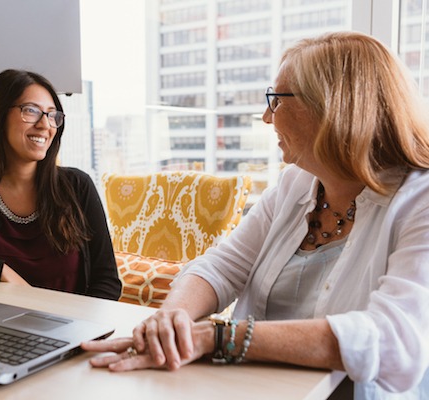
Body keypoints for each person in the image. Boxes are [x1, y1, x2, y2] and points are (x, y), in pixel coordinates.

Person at [81, 31, 429, 398]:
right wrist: (173, 318)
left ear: (331, 107)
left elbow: (394, 340)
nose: (266, 117)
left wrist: (221, 339)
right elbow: (220, 267)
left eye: (276, 101)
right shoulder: (294, 184)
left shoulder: (419, 201)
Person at [0, 69, 121, 301]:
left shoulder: (77, 186)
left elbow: (107, 280)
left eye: (51, 115)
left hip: (75, 331)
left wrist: (87, 330)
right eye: (31, 111)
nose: (44, 125)